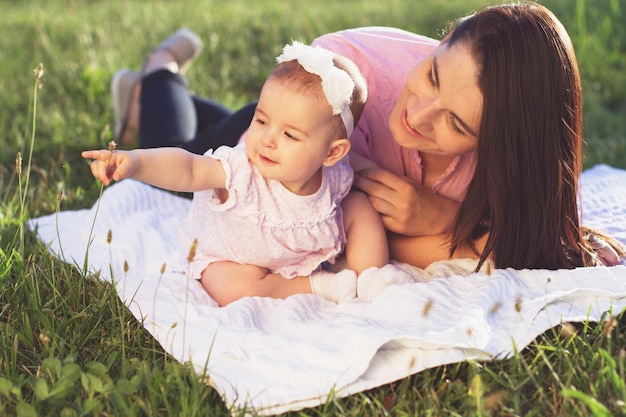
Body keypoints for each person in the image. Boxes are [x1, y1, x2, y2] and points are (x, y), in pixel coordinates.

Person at [110, 2, 624, 278]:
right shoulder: (346, 77)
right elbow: (325, 232)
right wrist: (459, 236)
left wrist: (443, 219)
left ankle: (155, 91)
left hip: (293, 142)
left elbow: (530, 240)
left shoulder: (518, 164)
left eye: (457, 125)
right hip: (273, 152)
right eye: (433, 76)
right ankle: (161, 71)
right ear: (440, 42)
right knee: (181, 149)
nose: (417, 115)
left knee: (199, 128)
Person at [84, 41, 389, 306]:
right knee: (231, 288)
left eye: (290, 136)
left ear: (332, 153)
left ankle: (371, 276)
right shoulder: (241, 169)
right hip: (234, 258)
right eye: (260, 120)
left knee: (358, 207)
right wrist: (136, 163)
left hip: (288, 255)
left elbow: (362, 176)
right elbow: (188, 168)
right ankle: (314, 286)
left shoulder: (335, 174)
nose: (268, 139)